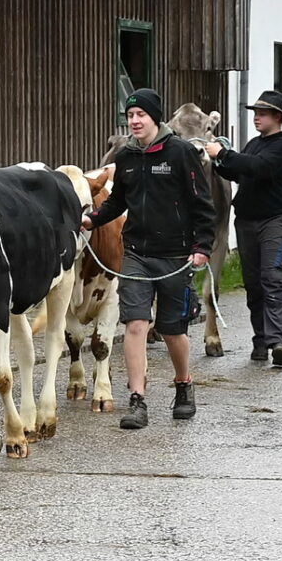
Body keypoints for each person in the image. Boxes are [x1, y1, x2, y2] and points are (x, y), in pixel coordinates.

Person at [89, 88, 213, 429]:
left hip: (175, 255)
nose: (134, 121)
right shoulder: (127, 157)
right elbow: (117, 203)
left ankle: (183, 384)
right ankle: (138, 399)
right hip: (137, 255)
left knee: (173, 330)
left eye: (140, 115)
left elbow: (202, 204)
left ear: (155, 117)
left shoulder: (181, 153)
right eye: (130, 116)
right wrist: (93, 219)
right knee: (135, 324)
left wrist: (202, 247)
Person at [207, 89, 282, 369]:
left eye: (263, 113)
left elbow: (258, 167)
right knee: (254, 285)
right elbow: (238, 171)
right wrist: (217, 161)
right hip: (247, 222)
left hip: (276, 221)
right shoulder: (253, 144)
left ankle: (278, 341)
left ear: (277, 117)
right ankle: (261, 341)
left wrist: (224, 152)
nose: (257, 117)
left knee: (272, 278)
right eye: (255, 113)